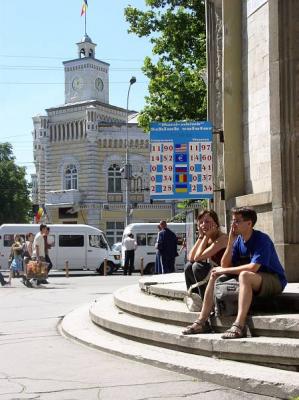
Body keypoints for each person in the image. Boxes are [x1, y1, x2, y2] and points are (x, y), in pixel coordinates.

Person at [182, 207, 287, 339]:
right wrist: (231, 243)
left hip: (273, 280)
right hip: (252, 279)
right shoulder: (238, 240)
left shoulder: (262, 239)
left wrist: (224, 270)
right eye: (232, 221)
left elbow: (253, 267)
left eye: (237, 221)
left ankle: (239, 325)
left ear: (249, 223)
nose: (233, 224)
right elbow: (224, 264)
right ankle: (202, 321)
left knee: (244, 275)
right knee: (215, 274)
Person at [184, 210, 228, 299]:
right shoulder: (207, 238)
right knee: (188, 266)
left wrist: (206, 236)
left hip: (225, 272)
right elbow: (191, 258)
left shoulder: (223, 238)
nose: (203, 225)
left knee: (197, 267)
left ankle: (206, 301)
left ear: (216, 224)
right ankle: (195, 298)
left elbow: (197, 258)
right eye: (201, 223)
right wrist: (201, 236)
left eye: (207, 222)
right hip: (214, 272)